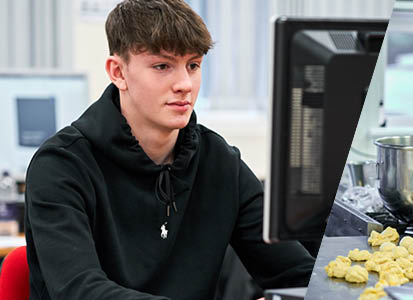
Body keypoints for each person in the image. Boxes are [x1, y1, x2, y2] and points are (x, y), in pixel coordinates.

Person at [24, 1, 314, 299]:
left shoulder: (219, 161)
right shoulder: (61, 166)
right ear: (118, 72)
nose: (185, 84)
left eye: (193, 65)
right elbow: (79, 291)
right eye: (162, 66)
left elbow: (298, 275)